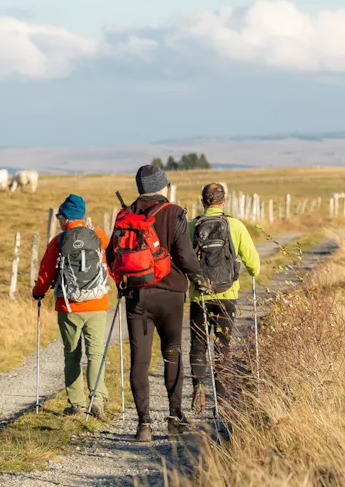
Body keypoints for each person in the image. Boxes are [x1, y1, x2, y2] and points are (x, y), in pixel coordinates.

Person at [107, 164, 205, 442]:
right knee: (172, 353)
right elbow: (185, 256)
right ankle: (174, 419)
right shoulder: (174, 212)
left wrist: (122, 282)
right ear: (163, 186)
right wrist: (200, 279)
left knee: (140, 360)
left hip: (136, 295)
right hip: (170, 295)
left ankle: (144, 424)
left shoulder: (124, 214)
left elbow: (111, 254)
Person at [32, 194, 112, 419]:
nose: (58, 220)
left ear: (65, 218)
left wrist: (37, 293)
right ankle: (97, 398)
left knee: (72, 355)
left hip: (68, 307)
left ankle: (76, 404)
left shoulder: (59, 241)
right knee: (96, 354)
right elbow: (110, 263)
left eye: (59, 216)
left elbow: (46, 273)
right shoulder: (98, 236)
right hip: (97, 304)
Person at [188, 183, 260, 415]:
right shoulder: (235, 226)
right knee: (222, 346)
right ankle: (222, 397)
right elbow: (254, 264)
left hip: (199, 295)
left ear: (202, 202)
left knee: (198, 345)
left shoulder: (192, 226)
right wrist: (253, 272)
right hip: (227, 295)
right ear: (224, 201)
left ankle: (198, 386)